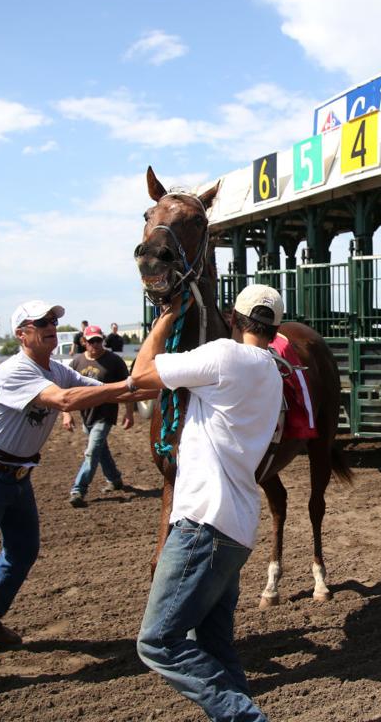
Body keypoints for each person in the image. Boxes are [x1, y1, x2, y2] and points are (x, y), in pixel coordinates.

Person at [0, 301, 155, 703]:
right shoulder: (16, 370)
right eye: (42, 323)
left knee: (23, 551)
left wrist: (152, 382)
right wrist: (134, 388)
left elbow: (90, 389)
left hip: (15, 474)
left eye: (54, 321)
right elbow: (67, 401)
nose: (52, 327)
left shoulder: (54, 368)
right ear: (22, 334)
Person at [128, 284, 284, 722]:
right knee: (215, 645)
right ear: (275, 330)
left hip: (203, 523)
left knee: (157, 643)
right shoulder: (273, 371)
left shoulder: (223, 354)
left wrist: (164, 320)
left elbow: (141, 379)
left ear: (233, 321)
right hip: (237, 530)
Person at [63, 324, 132, 506]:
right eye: (91, 341)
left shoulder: (114, 361)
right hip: (86, 414)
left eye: (98, 340)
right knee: (101, 450)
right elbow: (66, 390)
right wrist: (66, 414)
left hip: (106, 414)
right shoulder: (76, 362)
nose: (95, 344)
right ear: (84, 342)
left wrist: (129, 412)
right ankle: (115, 479)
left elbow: (127, 388)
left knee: (92, 452)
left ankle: (78, 490)